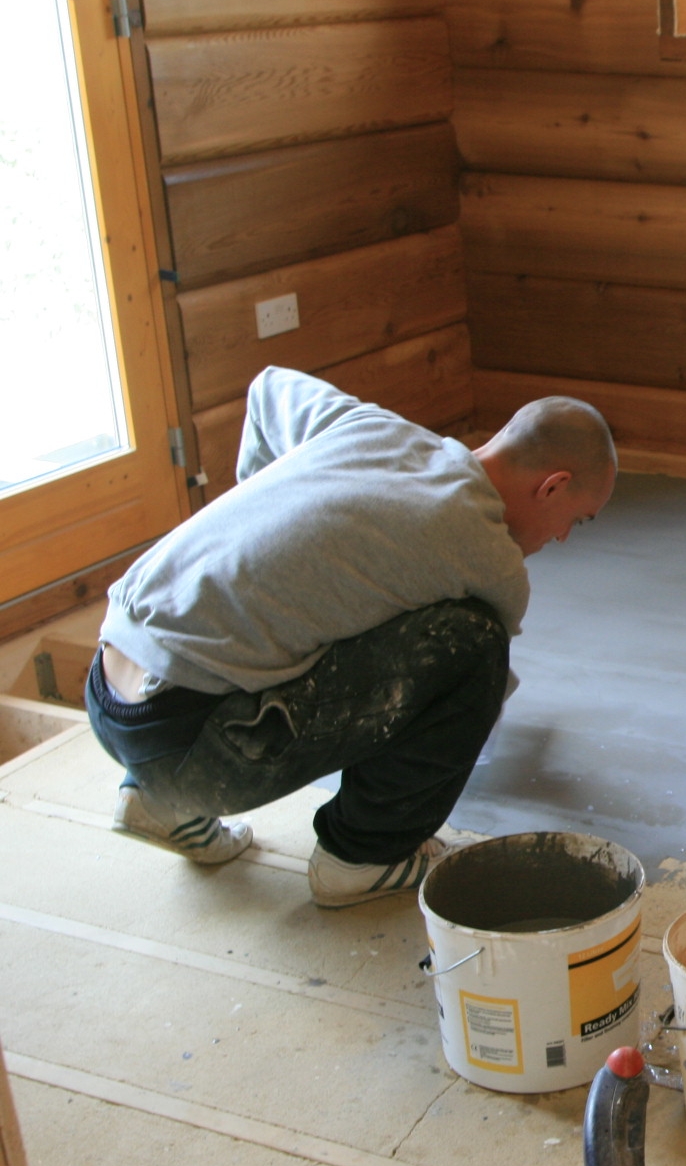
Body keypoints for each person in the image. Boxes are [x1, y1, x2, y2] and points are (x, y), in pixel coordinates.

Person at [84, 365, 616, 907]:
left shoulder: (372, 428)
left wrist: (261, 540)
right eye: (578, 520)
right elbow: (479, 694)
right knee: (475, 644)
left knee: (344, 614)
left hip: (107, 691)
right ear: (553, 486)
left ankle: (156, 802)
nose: (563, 537)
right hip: (192, 745)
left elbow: (268, 389)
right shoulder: (488, 556)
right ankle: (361, 857)